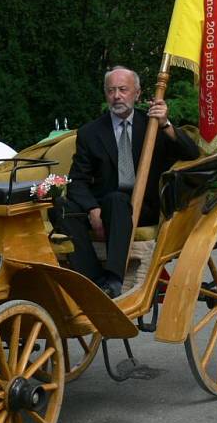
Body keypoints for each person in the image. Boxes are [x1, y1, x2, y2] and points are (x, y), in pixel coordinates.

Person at [61, 66, 200, 297]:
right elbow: (77, 181)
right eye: (111, 90)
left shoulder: (153, 125)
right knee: (61, 208)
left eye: (123, 89)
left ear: (136, 93)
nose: (117, 96)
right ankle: (94, 279)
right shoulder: (90, 132)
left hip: (142, 207)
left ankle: (115, 279)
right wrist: (92, 209)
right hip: (102, 207)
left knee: (118, 199)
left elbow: (191, 153)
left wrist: (165, 124)